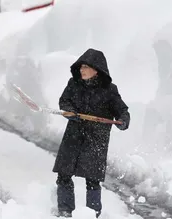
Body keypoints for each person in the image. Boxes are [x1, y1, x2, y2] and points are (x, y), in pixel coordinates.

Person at [53, 48, 130, 218]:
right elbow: (64, 101)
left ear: (97, 69)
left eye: (86, 67)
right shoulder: (73, 84)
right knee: (64, 174)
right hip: (73, 135)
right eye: (81, 67)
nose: (82, 70)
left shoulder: (110, 90)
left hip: (96, 140)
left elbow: (122, 110)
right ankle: (65, 211)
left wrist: (123, 121)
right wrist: (70, 111)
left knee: (92, 180)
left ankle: (93, 213)